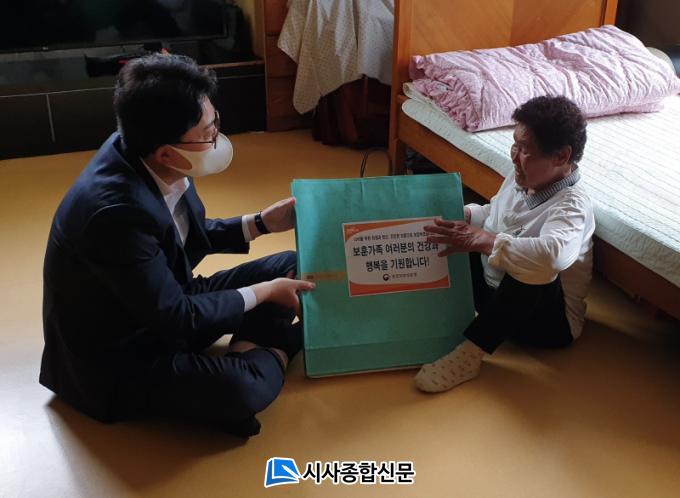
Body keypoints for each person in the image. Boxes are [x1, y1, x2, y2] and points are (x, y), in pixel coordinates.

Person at [39, 54, 314, 437]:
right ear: (166, 152)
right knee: (239, 389)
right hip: (122, 356)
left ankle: (251, 352)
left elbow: (181, 233)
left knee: (290, 265)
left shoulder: (148, 150)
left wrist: (261, 223)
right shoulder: (114, 214)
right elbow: (176, 316)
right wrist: (265, 293)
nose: (216, 138)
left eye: (215, 122)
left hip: (164, 299)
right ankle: (275, 348)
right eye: (209, 131)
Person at [415, 96, 595, 393]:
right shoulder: (521, 176)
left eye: (525, 149)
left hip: (546, 323)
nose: (514, 156)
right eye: (515, 144)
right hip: (495, 298)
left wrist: (484, 240)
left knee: (537, 267)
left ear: (561, 156)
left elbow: (553, 256)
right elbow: (496, 214)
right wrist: (466, 216)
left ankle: (470, 354)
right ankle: (440, 316)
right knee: (451, 234)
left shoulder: (573, 205)